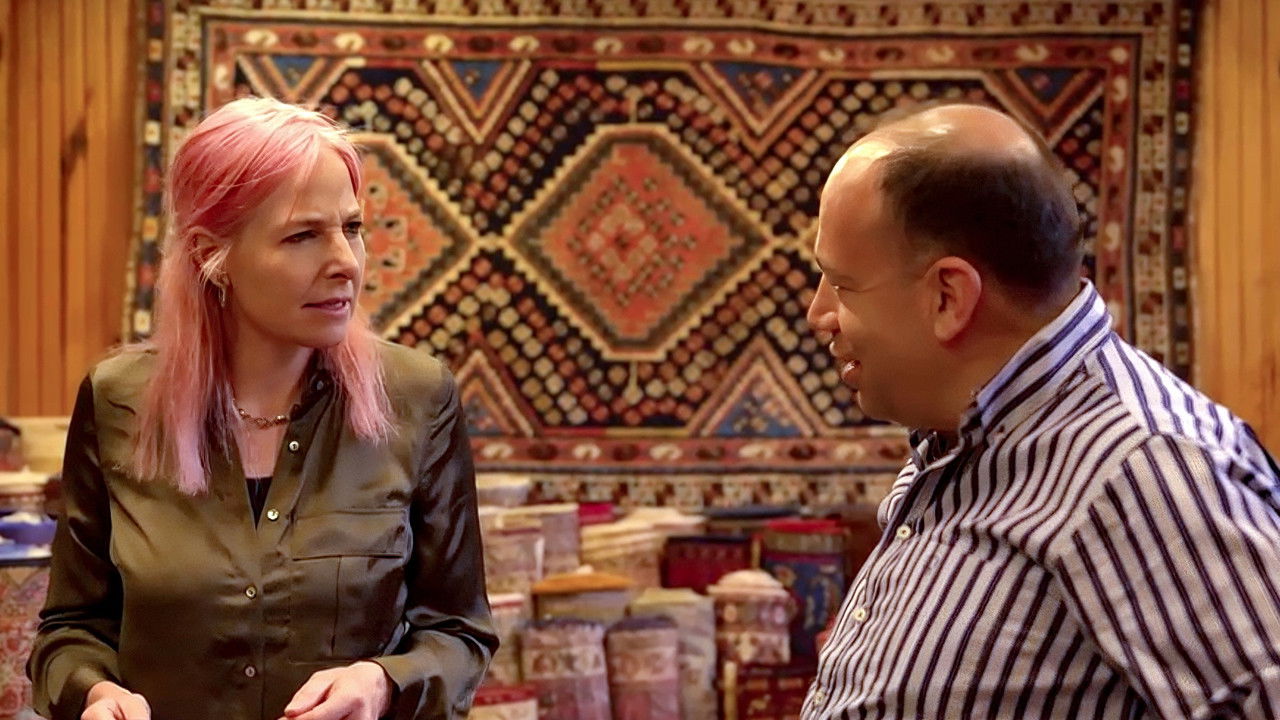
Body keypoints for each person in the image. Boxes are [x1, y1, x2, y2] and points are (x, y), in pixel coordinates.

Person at [802, 103, 1280, 719]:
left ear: (948, 296)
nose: (819, 315)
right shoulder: (967, 440)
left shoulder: (1146, 469)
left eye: (842, 285)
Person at [27, 97, 497, 720]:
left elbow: (460, 633)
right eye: (303, 236)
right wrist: (95, 692)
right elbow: (70, 629)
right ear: (211, 255)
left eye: (352, 228)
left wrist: (383, 681)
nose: (345, 263)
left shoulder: (417, 396)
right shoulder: (118, 401)